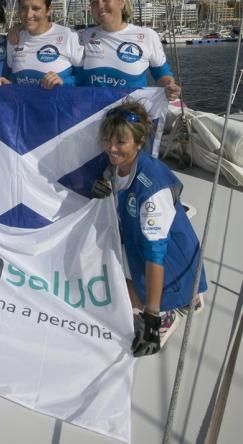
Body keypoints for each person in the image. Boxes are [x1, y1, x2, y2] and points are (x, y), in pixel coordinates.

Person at [87, 100, 206, 356]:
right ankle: (185, 297)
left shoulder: (150, 187)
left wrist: (150, 316)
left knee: (107, 284)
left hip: (169, 260)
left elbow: (156, 256)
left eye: (120, 142)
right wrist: (100, 186)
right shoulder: (117, 167)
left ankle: (166, 311)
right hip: (142, 244)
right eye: (107, 140)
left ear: (139, 143)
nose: (112, 148)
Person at [78, 0, 181, 100]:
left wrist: (169, 86)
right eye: (94, 1)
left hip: (131, 115)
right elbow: (74, 78)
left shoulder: (147, 36)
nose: (99, 5)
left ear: (121, 2)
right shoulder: (84, 37)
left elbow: (161, 74)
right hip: (94, 115)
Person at [0, 0, 84, 89]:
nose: (28, 14)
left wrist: (63, 81)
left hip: (56, 105)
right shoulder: (14, 38)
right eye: (23, 8)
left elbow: (83, 79)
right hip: (23, 105)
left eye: (36, 8)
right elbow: (12, 78)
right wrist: (6, 83)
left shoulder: (69, 35)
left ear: (49, 10)